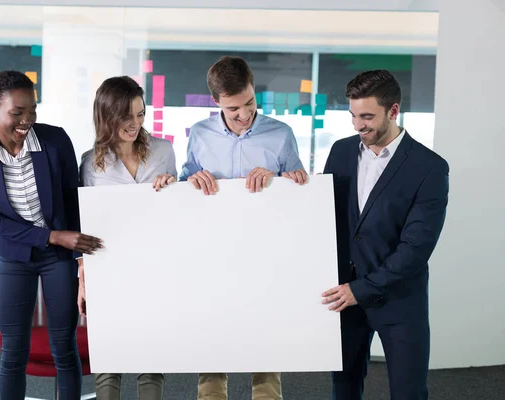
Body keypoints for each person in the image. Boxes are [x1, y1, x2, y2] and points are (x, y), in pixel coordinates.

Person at [0, 70, 103, 400]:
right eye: (17, 112)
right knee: (13, 353)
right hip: (15, 258)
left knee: (63, 348)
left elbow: (74, 199)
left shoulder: (54, 141)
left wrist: (81, 260)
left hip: (59, 259)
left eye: (32, 110)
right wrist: (53, 236)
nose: (27, 120)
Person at [179, 56, 308, 400]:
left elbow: (299, 191)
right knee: (213, 344)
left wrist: (280, 179)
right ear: (216, 102)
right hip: (213, 251)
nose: (244, 114)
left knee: (265, 343)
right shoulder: (200, 135)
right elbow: (183, 190)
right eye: (234, 108)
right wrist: (192, 178)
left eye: (249, 102)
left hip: (265, 252)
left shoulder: (281, 135)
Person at [321, 70, 449, 400]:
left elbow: (416, 248)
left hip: (400, 303)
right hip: (344, 299)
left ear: (393, 111)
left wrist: (360, 289)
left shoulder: (430, 167)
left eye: (367, 117)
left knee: (408, 393)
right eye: (352, 115)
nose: (357, 125)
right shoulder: (341, 151)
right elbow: (327, 220)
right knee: (344, 389)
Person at [77, 76, 175, 400]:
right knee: (109, 358)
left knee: (152, 356)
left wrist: (173, 184)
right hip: (110, 267)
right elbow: (86, 225)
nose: (135, 123)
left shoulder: (163, 151)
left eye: (140, 114)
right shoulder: (90, 164)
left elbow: (180, 210)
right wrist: (83, 278)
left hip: (155, 263)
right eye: (127, 116)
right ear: (107, 116)